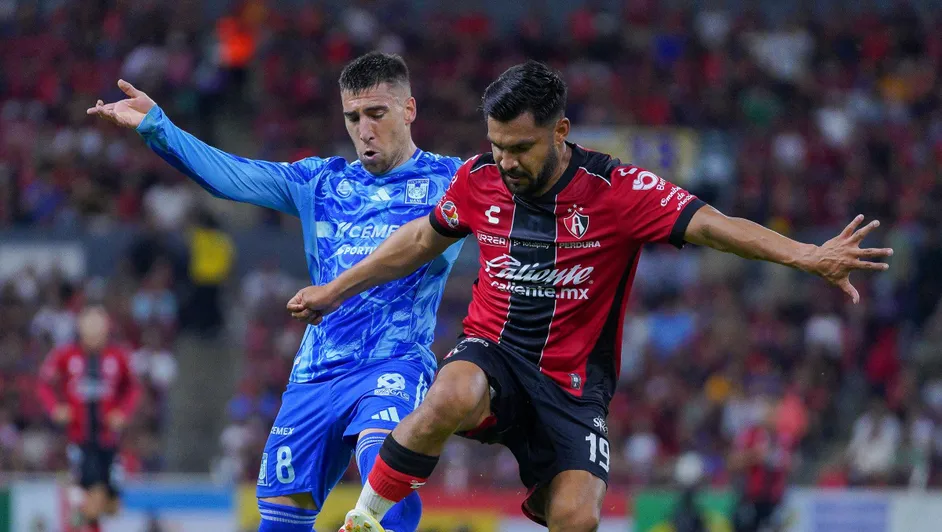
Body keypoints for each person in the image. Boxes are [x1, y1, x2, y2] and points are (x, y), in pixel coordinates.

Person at [286, 61, 894, 532]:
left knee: (577, 517)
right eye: (497, 145)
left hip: (573, 386)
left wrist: (806, 255)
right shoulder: (478, 179)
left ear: (560, 132)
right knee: (451, 392)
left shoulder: (617, 189)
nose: (506, 162)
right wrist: (335, 290)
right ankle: (364, 519)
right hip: (492, 355)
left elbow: (714, 225)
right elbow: (422, 238)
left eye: (520, 148)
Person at [87, 52, 464, 532]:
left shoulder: (453, 181)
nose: (365, 130)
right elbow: (233, 176)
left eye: (377, 114)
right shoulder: (322, 182)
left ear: (408, 110)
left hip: (392, 364)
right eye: (353, 118)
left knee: (385, 475)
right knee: (281, 520)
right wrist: (157, 126)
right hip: (314, 376)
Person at [37, 306, 141, 532]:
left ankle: (78, 515)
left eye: (99, 329)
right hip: (80, 440)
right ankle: (76, 516)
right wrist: (55, 409)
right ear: (80, 329)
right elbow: (44, 384)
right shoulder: (65, 355)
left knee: (111, 506)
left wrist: (123, 413)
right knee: (93, 497)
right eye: (90, 329)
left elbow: (133, 388)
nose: (94, 335)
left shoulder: (118, 356)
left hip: (109, 441)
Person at [730, 398, 795, 532]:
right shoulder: (750, 435)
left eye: (776, 415)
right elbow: (733, 462)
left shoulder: (783, 438)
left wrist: (783, 461)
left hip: (774, 498)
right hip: (751, 496)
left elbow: (791, 464)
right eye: (770, 414)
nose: (774, 418)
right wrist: (755, 455)